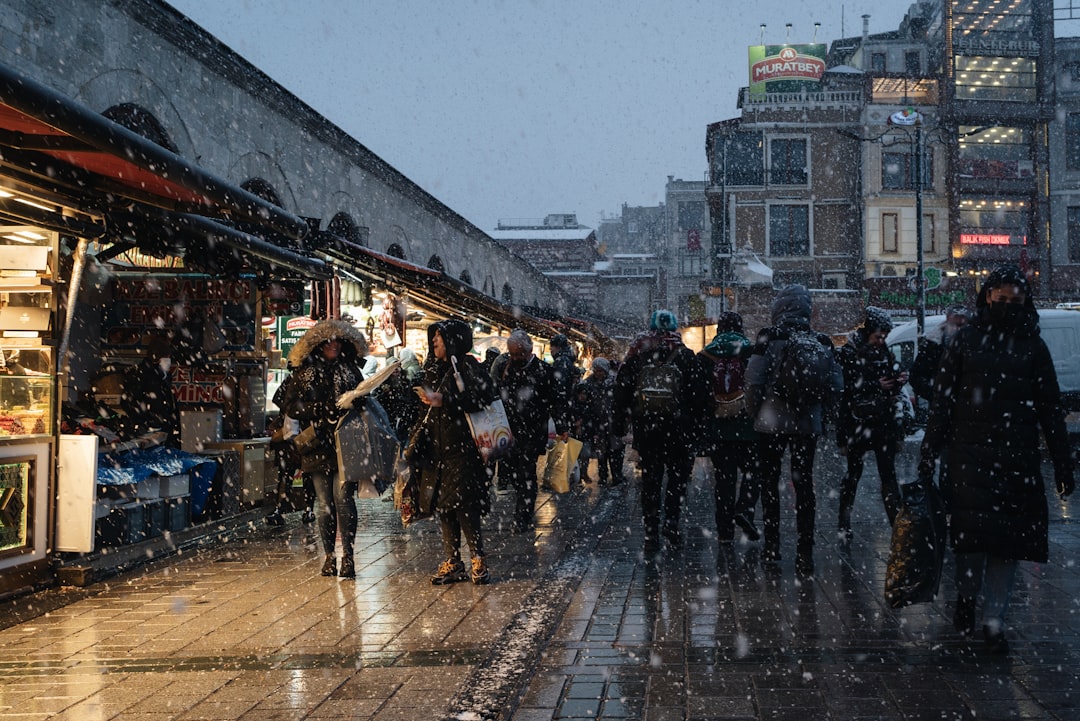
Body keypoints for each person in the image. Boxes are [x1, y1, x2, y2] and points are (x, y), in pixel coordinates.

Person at [917, 264, 1074, 653]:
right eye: (1001, 298)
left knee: (1000, 543)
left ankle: (990, 619)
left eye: (1014, 300)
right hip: (974, 459)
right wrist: (929, 450)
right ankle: (976, 606)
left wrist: (1062, 459)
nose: (1007, 305)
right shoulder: (970, 342)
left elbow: (1049, 408)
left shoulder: (1028, 345)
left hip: (1007, 460)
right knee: (976, 540)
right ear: (988, 296)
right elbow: (943, 402)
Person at [745, 285, 843, 576]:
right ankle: (805, 552)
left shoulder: (768, 338)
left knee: (769, 484)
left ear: (779, 308)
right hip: (806, 423)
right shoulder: (821, 341)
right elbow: (836, 386)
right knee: (804, 486)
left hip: (771, 423)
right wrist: (822, 417)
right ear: (807, 308)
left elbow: (753, 382)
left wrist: (757, 413)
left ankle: (772, 546)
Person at [279, 319, 368, 579]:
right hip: (316, 445)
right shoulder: (305, 372)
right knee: (324, 504)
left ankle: (348, 556)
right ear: (319, 345)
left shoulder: (350, 370)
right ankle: (329, 555)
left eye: (338, 341)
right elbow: (291, 405)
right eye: (329, 341)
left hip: (345, 443)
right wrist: (318, 409)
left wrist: (353, 403)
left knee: (343, 499)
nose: (334, 344)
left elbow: (364, 399)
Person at [613, 309, 708, 549]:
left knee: (651, 480)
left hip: (648, 429)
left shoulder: (638, 355)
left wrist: (619, 423)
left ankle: (651, 530)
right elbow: (700, 395)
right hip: (679, 430)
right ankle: (672, 524)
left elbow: (621, 392)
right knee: (676, 481)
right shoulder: (686, 356)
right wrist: (697, 427)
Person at [414, 318, 496, 585]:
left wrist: (446, 400)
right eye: (434, 337)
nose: (434, 341)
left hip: (462, 450)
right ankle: (453, 560)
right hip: (436, 451)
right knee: (444, 506)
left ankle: (477, 558)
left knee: (464, 505)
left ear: (453, 341)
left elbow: (483, 399)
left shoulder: (468, 366)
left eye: (439, 337)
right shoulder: (433, 369)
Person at [835, 307, 909, 540]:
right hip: (858, 422)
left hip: (882, 422)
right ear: (868, 333)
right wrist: (875, 385)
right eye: (878, 336)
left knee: (887, 475)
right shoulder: (850, 352)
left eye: (884, 336)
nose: (882, 341)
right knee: (854, 473)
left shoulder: (883, 351)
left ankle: (896, 525)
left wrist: (897, 381)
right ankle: (844, 522)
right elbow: (845, 389)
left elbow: (889, 383)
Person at [490, 329, 564, 532]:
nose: (516, 358)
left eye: (520, 354)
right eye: (513, 353)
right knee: (516, 473)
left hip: (532, 430)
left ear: (530, 350)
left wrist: (562, 427)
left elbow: (555, 401)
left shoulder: (543, 371)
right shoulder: (506, 367)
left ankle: (522, 515)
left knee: (526, 472)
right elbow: (496, 393)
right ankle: (523, 510)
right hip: (510, 430)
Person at [696, 311, 760, 544]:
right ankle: (744, 508)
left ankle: (725, 533)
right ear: (740, 328)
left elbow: (698, 394)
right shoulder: (750, 352)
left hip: (718, 430)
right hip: (748, 428)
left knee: (724, 481)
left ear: (719, 330)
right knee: (754, 473)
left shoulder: (705, 355)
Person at [120, 334, 180, 447]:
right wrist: (146, 422)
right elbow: (128, 402)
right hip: (147, 432)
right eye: (166, 357)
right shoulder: (140, 375)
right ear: (157, 358)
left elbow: (167, 403)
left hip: (162, 430)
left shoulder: (164, 377)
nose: (169, 361)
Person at [572, 356, 624, 486]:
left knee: (616, 451)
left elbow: (620, 401)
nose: (598, 373)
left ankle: (617, 474)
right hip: (596, 423)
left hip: (613, 422)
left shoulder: (614, 383)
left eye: (601, 370)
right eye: (596, 370)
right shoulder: (588, 383)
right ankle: (603, 475)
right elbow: (582, 401)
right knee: (601, 452)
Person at [908, 304, 972, 403]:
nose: (959, 330)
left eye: (963, 325)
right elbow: (916, 376)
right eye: (956, 325)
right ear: (947, 321)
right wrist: (936, 395)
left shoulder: (974, 346)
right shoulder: (933, 345)